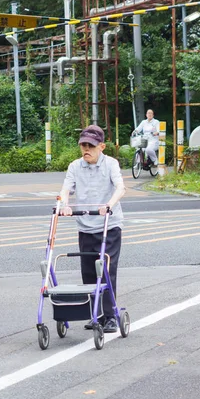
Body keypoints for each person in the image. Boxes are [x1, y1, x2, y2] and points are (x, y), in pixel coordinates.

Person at [59, 125, 126, 333]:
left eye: (91, 146)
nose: (86, 149)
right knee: (88, 272)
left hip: (109, 225)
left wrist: (109, 205)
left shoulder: (111, 164)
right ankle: (95, 314)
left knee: (105, 271)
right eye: (83, 145)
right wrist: (64, 205)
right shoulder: (75, 166)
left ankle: (110, 316)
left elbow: (120, 188)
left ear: (102, 146)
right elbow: (66, 189)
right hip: (85, 225)